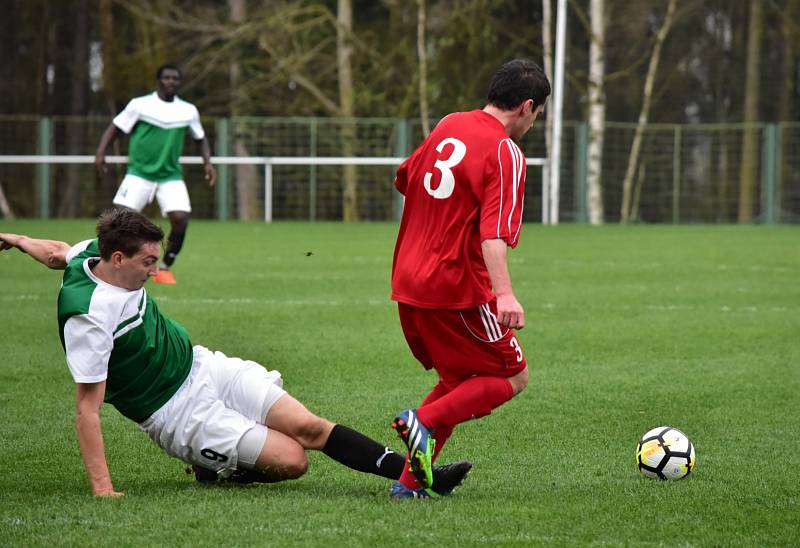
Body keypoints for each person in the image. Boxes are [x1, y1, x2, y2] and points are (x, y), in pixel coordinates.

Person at [0, 209, 471, 497]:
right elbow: (87, 409)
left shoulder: (91, 254)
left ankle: (416, 477)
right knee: (294, 461)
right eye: (149, 261)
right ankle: (211, 462)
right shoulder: (88, 317)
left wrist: (19, 240)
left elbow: (58, 251)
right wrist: (103, 490)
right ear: (118, 259)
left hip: (203, 366)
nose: (156, 269)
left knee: (309, 425)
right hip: (174, 413)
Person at [388, 59, 551, 499]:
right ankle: (422, 423)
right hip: (455, 285)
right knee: (513, 376)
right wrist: (505, 295)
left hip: (408, 277)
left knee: (458, 382)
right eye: (536, 116)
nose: (533, 125)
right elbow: (493, 234)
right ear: (528, 107)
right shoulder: (505, 151)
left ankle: (408, 485)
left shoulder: (448, 123)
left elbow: (405, 178)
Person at [95, 63, 216, 285]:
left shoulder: (188, 110)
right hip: (139, 173)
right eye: (167, 78)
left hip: (170, 175)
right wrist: (101, 152)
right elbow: (116, 127)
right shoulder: (140, 105)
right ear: (158, 81)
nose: (172, 82)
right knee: (118, 220)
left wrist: (208, 163)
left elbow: (200, 138)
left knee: (180, 218)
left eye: (175, 78)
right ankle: (104, 264)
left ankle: (165, 267)